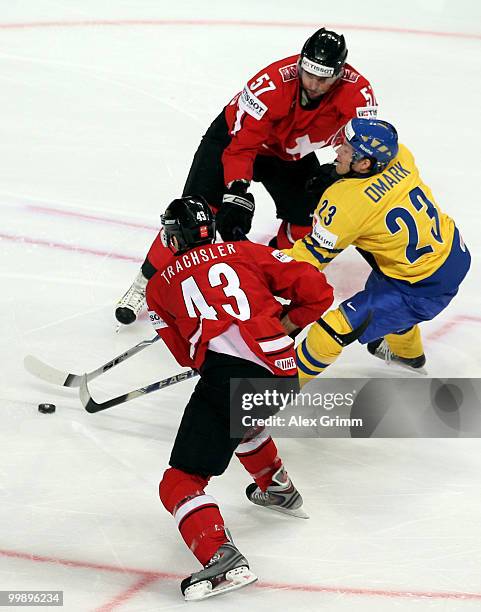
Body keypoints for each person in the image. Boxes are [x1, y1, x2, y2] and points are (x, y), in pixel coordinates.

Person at [116, 27, 378, 325]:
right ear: (300, 63)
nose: (315, 85)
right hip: (234, 142)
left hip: (289, 154)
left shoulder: (358, 93)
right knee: (192, 214)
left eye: (324, 79)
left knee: (310, 218)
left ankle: (265, 276)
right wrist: (236, 191)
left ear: (339, 74)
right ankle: (142, 283)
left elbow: (363, 145)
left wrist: (335, 170)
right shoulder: (269, 85)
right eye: (310, 75)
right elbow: (241, 147)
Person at [146, 195, 333, 600]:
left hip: (231, 380)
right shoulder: (246, 251)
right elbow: (318, 291)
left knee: (180, 480)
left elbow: (185, 355)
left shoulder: (158, 288)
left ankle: (221, 555)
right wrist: (283, 321)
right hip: (283, 375)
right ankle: (276, 486)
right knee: (243, 419)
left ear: (174, 238)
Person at [281, 117, 471, 379]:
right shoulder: (400, 155)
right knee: (385, 299)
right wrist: (341, 177)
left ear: (364, 163)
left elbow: (305, 262)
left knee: (329, 332)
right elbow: (374, 191)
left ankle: (268, 398)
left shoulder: (345, 205)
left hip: (420, 286)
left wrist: (254, 262)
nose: (338, 151)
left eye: (346, 149)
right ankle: (409, 356)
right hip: (449, 252)